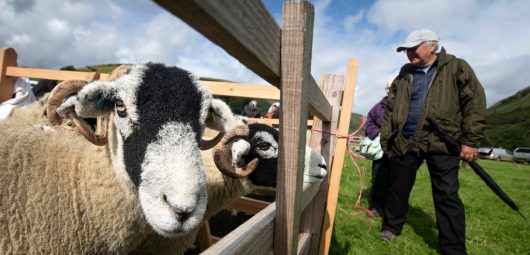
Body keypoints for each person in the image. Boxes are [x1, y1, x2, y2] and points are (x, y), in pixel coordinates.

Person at [379, 29, 486, 255]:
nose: (408, 53)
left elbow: (474, 103)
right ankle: (390, 227)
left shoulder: (457, 67)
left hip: (443, 143)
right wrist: (387, 142)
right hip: (406, 142)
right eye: (406, 49)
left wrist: (470, 141)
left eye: (413, 48)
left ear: (432, 46)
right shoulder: (403, 75)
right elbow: (390, 111)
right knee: (398, 188)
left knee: (447, 195)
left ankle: (453, 248)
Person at [365, 79, 393, 217]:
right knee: (378, 177)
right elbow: (369, 123)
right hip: (380, 151)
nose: (390, 89)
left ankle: (391, 209)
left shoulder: (406, 106)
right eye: (388, 87)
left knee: (395, 180)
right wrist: (378, 132)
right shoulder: (378, 108)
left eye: (393, 87)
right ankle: (376, 206)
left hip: (398, 150)